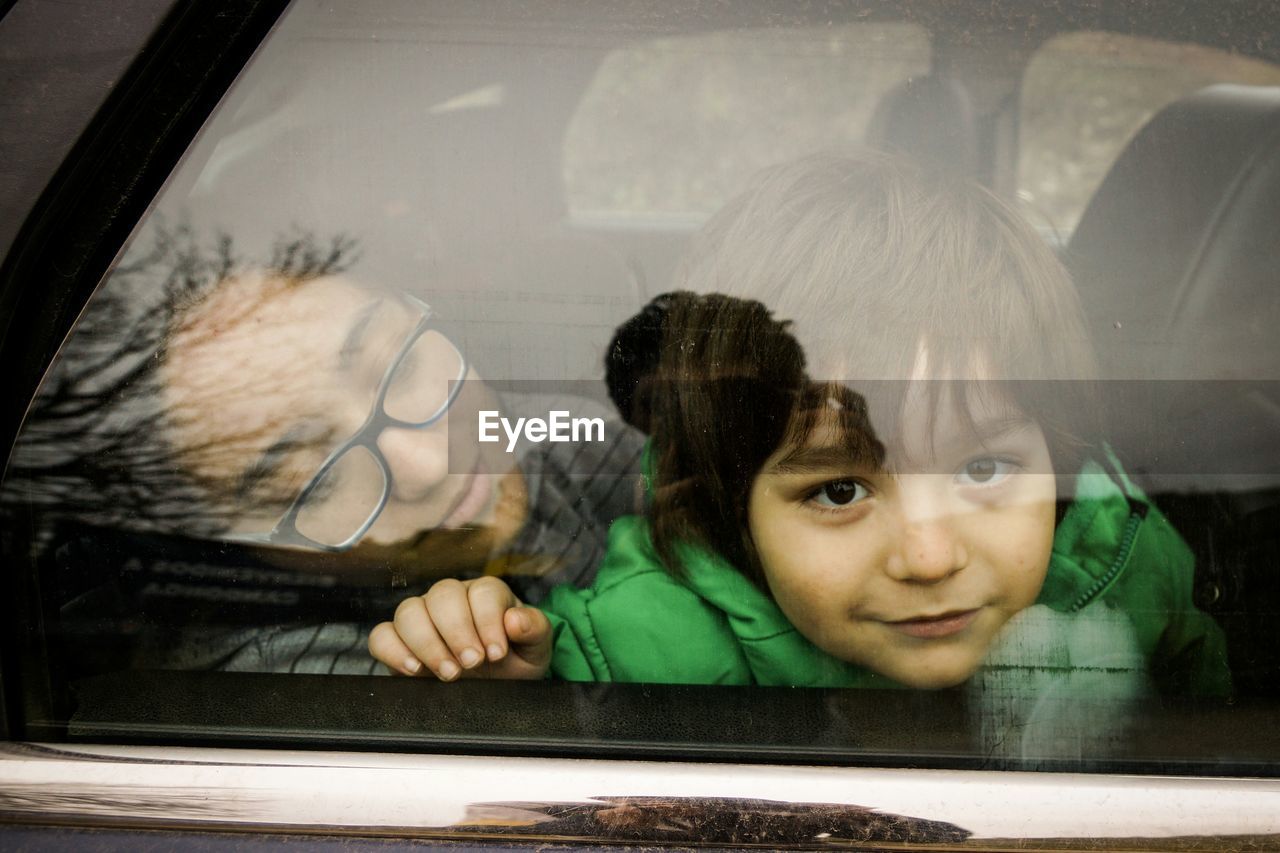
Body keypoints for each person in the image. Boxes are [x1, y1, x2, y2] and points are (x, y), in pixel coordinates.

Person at [368, 152, 1230, 699]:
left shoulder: (1124, 558)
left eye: (982, 471)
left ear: (1060, 452)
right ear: (727, 505)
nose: (930, 557)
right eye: (840, 488)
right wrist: (507, 683)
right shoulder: (645, 646)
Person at [5, 226, 645, 674]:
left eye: (395, 369)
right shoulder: (289, 676)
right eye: (313, 483)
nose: (425, 468)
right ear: (235, 551)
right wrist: (497, 708)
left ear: (423, 309)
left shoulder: (534, 434)